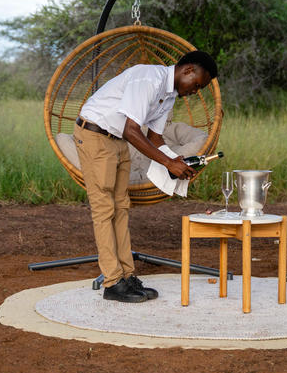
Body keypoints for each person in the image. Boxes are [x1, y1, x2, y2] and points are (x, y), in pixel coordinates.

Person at [73, 50, 219, 303]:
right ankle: (112, 282)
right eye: (197, 85)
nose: (195, 91)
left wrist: (176, 162)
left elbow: (154, 138)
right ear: (187, 70)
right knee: (104, 209)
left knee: (121, 207)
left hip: (118, 139)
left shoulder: (169, 96)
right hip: (96, 135)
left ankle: (127, 277)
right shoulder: (149, 79)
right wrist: (168, 163)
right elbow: (132, 129)